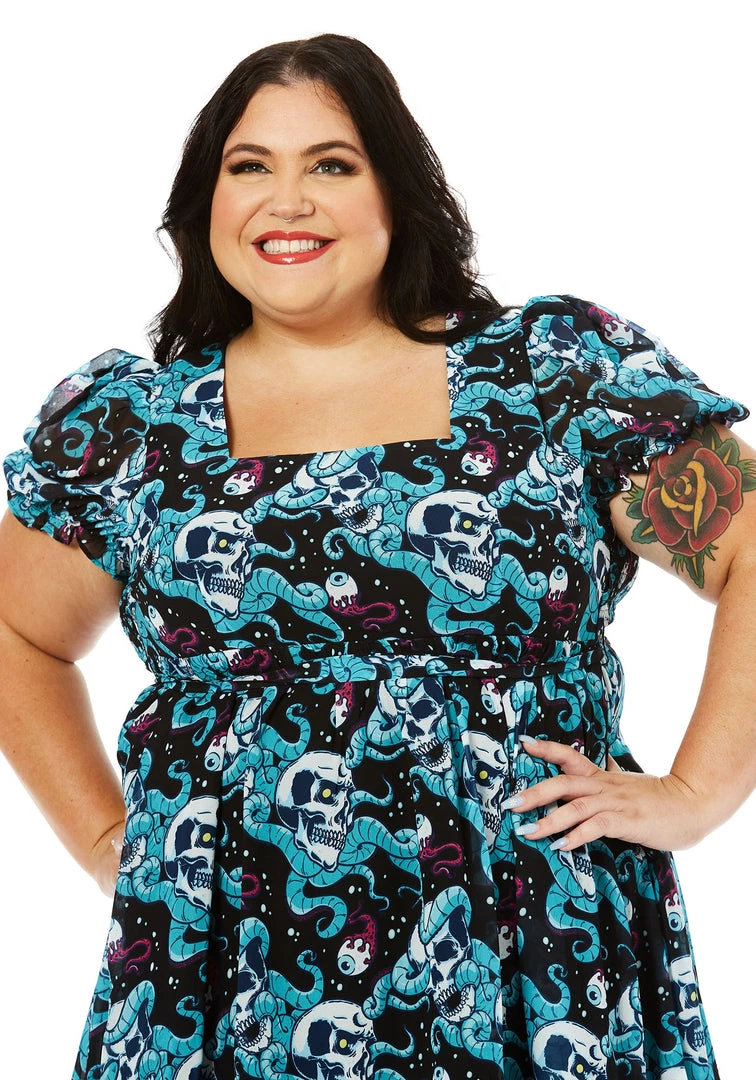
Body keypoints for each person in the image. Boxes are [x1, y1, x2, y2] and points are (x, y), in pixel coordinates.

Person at [1, 30, 754, 1080]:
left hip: (534, 950)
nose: (287, 201)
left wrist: (700, 792)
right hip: (225, 968)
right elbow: (18, 633)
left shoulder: (552, 378)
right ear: (203, 203)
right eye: (249, 167)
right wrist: (100, 841)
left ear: (397, 190)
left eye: (331, 165)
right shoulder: (131, 429)